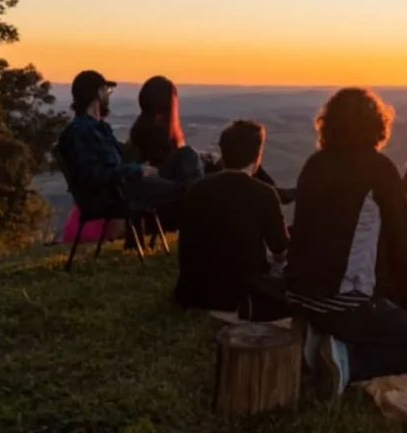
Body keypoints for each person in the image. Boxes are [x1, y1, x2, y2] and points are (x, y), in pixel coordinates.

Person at [286, 88, 407, 399]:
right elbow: (402, 244)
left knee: (385, 322)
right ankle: (346, 362)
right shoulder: (379, 170)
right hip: (345, 304)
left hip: (297, 295)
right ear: (377, 125)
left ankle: (320, 340)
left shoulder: (314, 165)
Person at [174, 120, 289, 320]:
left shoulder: (196, 189)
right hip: (239, 298)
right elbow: (280, 251)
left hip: (192, 295)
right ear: (257, 156)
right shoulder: (264, 194)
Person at [129, 76, 295, 213]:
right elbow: (174, 165)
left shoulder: (144, 128)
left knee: (235, 158)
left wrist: (203, 157)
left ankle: (277, 193)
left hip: (184, 185)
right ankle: (277, 194)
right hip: (184, 193)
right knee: (238, 162)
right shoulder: (153, 132)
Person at [57, 70, 195, 232]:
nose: (108, 96)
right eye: (106, 91)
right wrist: (138, 170)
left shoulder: (96, 129)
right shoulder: (81, 132)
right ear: (98, 93)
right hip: (121, 194)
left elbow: (113, 164)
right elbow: (96, 176)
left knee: (186, 156)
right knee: (188, 189)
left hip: (126, 187)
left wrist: (141, 167)